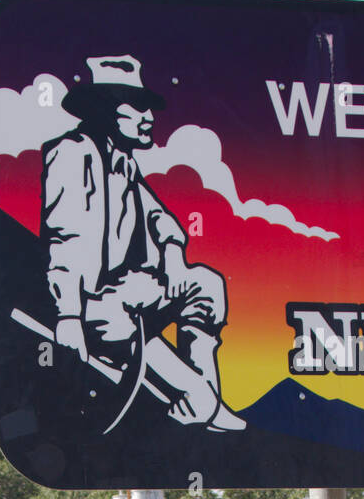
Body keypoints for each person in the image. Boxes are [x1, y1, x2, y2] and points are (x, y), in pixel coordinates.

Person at [41, 53, 245, 432]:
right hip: (92, 303)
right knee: (118, 322)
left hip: (130, 289)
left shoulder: (125, 163)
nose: (149, 117)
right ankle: (202, 400)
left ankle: (203, 400)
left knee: (206, 284)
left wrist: (172, 256)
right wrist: (68, 316)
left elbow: (160, 217)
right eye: (136, 107)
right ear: (104, 109)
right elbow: (64, 238)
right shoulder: (73, 154)